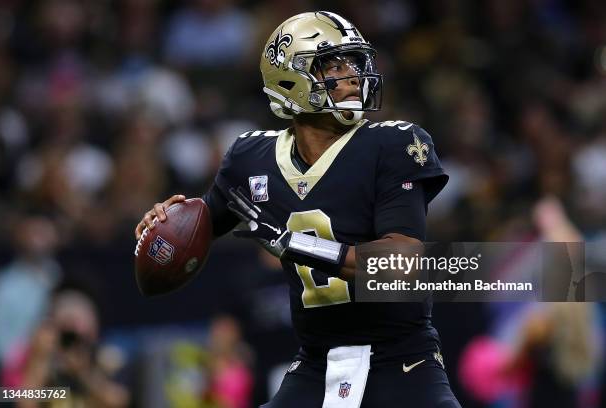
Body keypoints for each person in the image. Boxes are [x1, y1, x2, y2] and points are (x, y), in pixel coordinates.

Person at [136, 11, 460, 408]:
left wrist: (295, 245)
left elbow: (403, 262)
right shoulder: (249, 157)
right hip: (315, 365)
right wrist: (163, 229)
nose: (354, 77)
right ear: (291, 79)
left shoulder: (393, 144)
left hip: (403, 360)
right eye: (335, 66)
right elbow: (195, 231)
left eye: (356, 65)